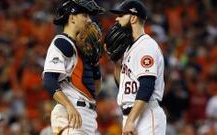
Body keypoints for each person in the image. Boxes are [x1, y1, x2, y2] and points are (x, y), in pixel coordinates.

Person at [42, 0, 104, 134]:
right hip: (71, 113)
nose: (89, 20)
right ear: (72, 18)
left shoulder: (83, 48)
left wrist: (95, 64)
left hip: (88, 115)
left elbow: (95, 91)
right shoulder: (62, 43)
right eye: (85, 15)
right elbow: (49, 80)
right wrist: (69, 106)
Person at [105, 0, 166, 134]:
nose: (117, 18)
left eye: (121, 15)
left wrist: (131, 120)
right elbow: (123, 85)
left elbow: (147, 85)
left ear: (133, 18)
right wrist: (116, 64)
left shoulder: (146, 46)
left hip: (145, 115)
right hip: (132, 114)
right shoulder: (128, 48)